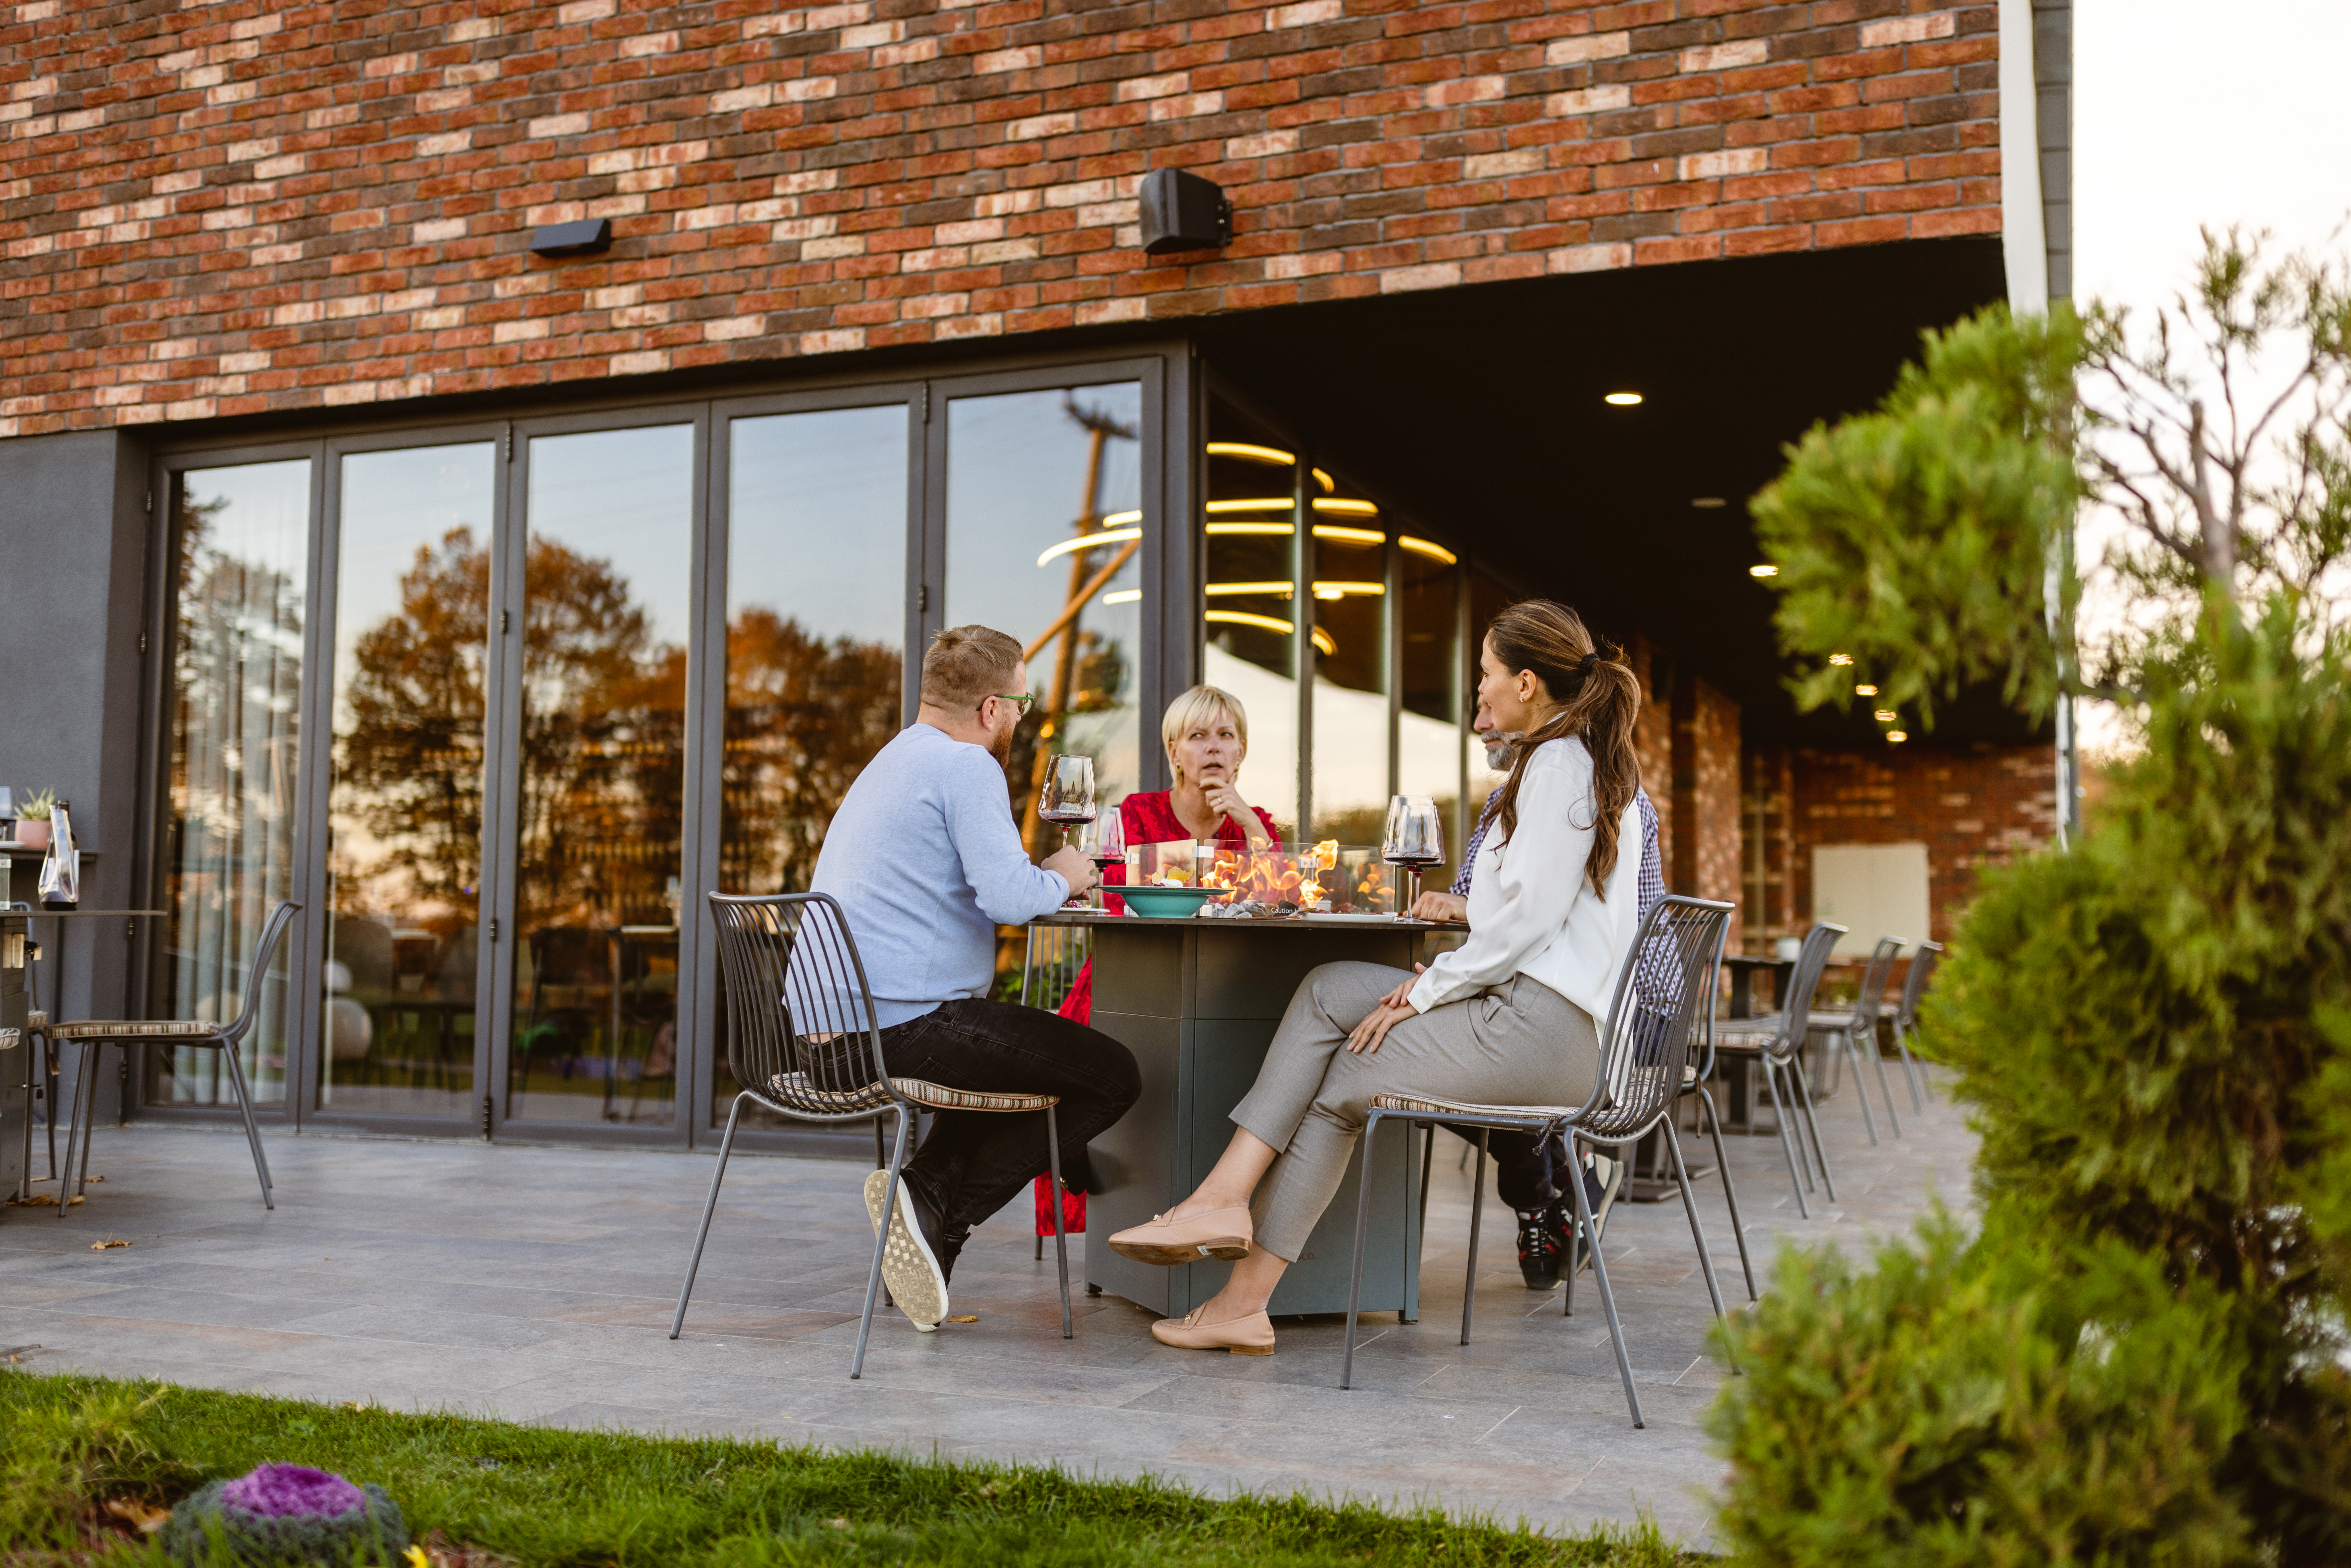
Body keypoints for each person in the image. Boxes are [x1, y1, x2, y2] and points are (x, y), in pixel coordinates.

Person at [1107, 600, 1646, 1355]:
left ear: (1526, 684)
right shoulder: (1562, 760)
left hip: (1548, 1031)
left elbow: (1525, 925)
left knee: (1347, 1076)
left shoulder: (1558, 765)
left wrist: (1427, 991)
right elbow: (1531, 912)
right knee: (1329, 988)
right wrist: (1444, 972)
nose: (1479, 690)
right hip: (1532, 1012)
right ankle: (1222, 1199)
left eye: (1486, 674)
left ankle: (1241, 1299)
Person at [807, 624, 1142, 1333]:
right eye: (1021, 704)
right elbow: (1011, 899)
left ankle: (927, 1202)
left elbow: (987, 884)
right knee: (1111, 1076)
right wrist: (1065, 873)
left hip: (828, 1035)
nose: (1021, 718)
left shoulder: (893, 758)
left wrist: (1036, 878)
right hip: (898, 1029)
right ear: (992, 708)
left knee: (1014, 1059)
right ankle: (941, 1214)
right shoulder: (968, 765)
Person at [1410, 719, 1667, 1288]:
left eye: (1489, 701)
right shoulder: (1503, 801)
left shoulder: (1607, 793)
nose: (1479, 724)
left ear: (1530, 696)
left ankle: (1541, 1199)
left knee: (1469, 1053)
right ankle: (1558, 1189)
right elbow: (1495, 915)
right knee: (1439, 1048)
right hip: (1560, 997)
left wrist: (1466, 933)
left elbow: (1540, 922)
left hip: (1631, 1014)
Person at [1034, 684, 1280, 1239]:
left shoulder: (1257, 825)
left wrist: (1252, 828)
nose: (1213, 747)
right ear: (1175, 752)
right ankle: (1101, 1196)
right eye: (1198, 736)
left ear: (1241, 751)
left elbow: (1281, 904)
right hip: (1131, 982)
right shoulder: (1138, 813)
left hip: (1223, 991)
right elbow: (1116, 901)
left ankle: (1201, 1202)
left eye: (1226, 736)